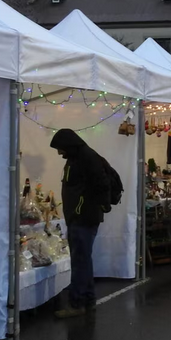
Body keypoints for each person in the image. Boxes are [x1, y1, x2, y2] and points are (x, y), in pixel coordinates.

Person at [49, 128, 108, 318]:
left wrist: (82, 208)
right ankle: (88, 300)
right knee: (83, 260)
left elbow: (100, 185)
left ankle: (76, 303)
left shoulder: (86, 158)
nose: (59, 152)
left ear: (69, 145)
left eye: (60, 148)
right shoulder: (79, 157)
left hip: (83, 218)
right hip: (81, 217)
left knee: (79, 262)